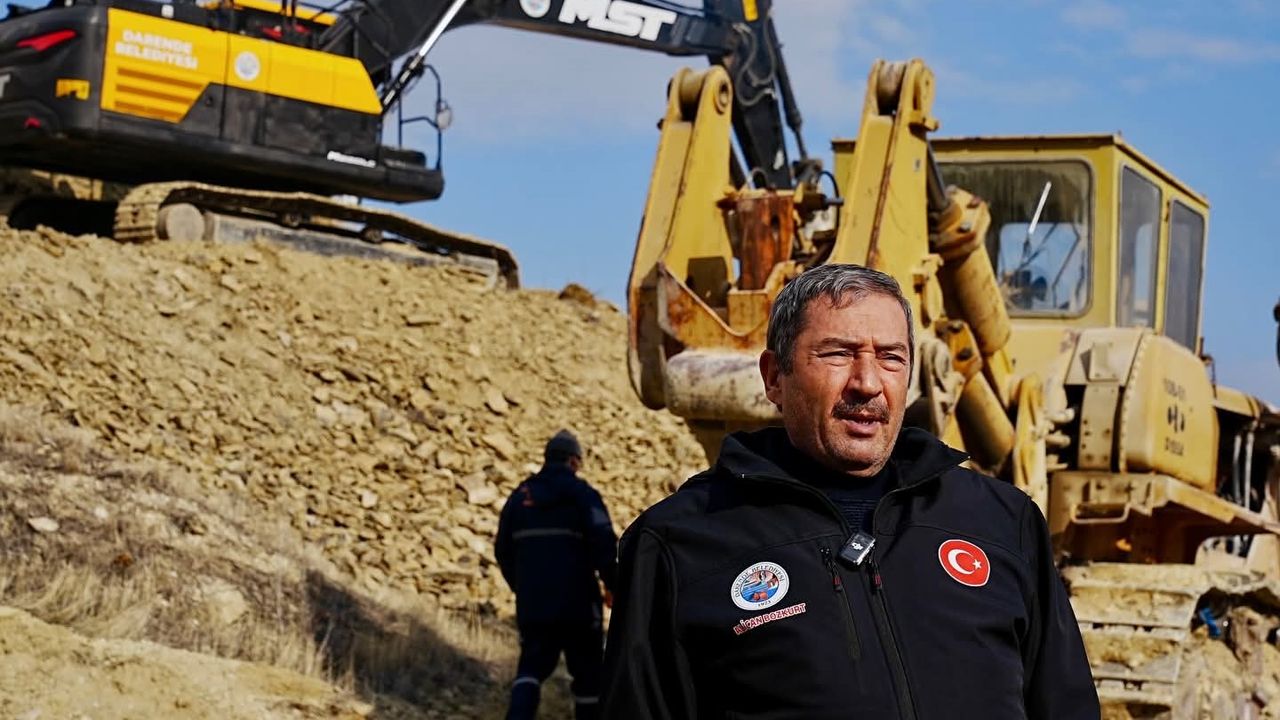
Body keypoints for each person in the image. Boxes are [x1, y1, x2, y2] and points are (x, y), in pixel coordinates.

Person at [601, 264, 1099, 719]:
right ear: (774, 378)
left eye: (890, 358)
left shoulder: (1003, 522)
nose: (867, 383)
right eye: (838, 354)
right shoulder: (678, 544)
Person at [495, 429, 618, 720]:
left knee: (529, 671)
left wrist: (522, 587)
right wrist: (614, 585)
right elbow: (604, 544)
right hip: (579, 605)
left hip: (535, 604)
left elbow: (502, 551)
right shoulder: (584, 495)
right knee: (589, 678)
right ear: (574, 461)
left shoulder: (520, 497)